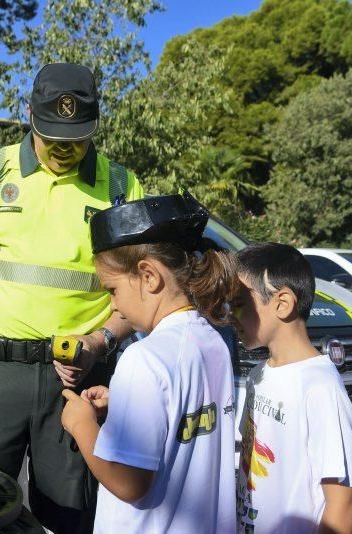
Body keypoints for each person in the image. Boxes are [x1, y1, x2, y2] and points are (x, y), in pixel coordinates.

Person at [0, 62, 144, 532]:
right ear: (28, 115)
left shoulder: (122, 188)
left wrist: (101, 341)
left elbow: (137, 294)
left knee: (68, 515)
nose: (64, 150)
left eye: (77, 138)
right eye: (53, 137)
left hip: (76, 377)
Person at [61, 192, 239, 533]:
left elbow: (130, 483)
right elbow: (190, 419)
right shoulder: (212, 341)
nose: (113, 307)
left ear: (149, 276)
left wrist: (82, 425)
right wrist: (124, 403)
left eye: (112, 290)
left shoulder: (142, 358)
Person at [233, 243, 352, 534]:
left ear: (282, 303)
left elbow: (342, 505)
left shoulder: (320, 386)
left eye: (238, 303)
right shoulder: (258, 375)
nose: (230, 315)